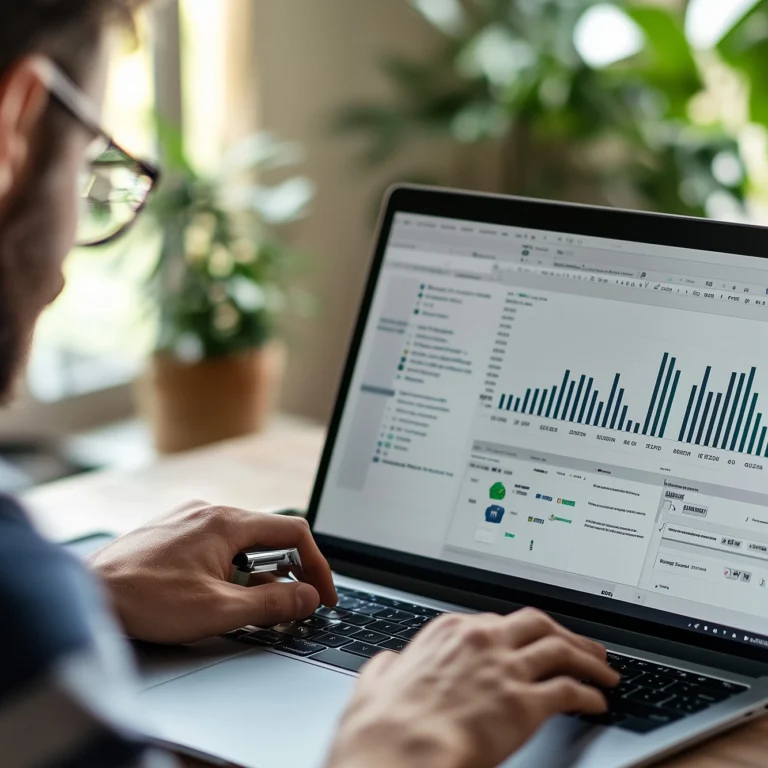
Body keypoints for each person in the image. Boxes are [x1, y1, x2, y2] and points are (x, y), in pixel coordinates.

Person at [0, 2, 620, 767]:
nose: (72, 247)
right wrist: (397, 745)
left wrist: (87, 593)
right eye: (89, 159)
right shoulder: (19, 612)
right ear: (15, 126)